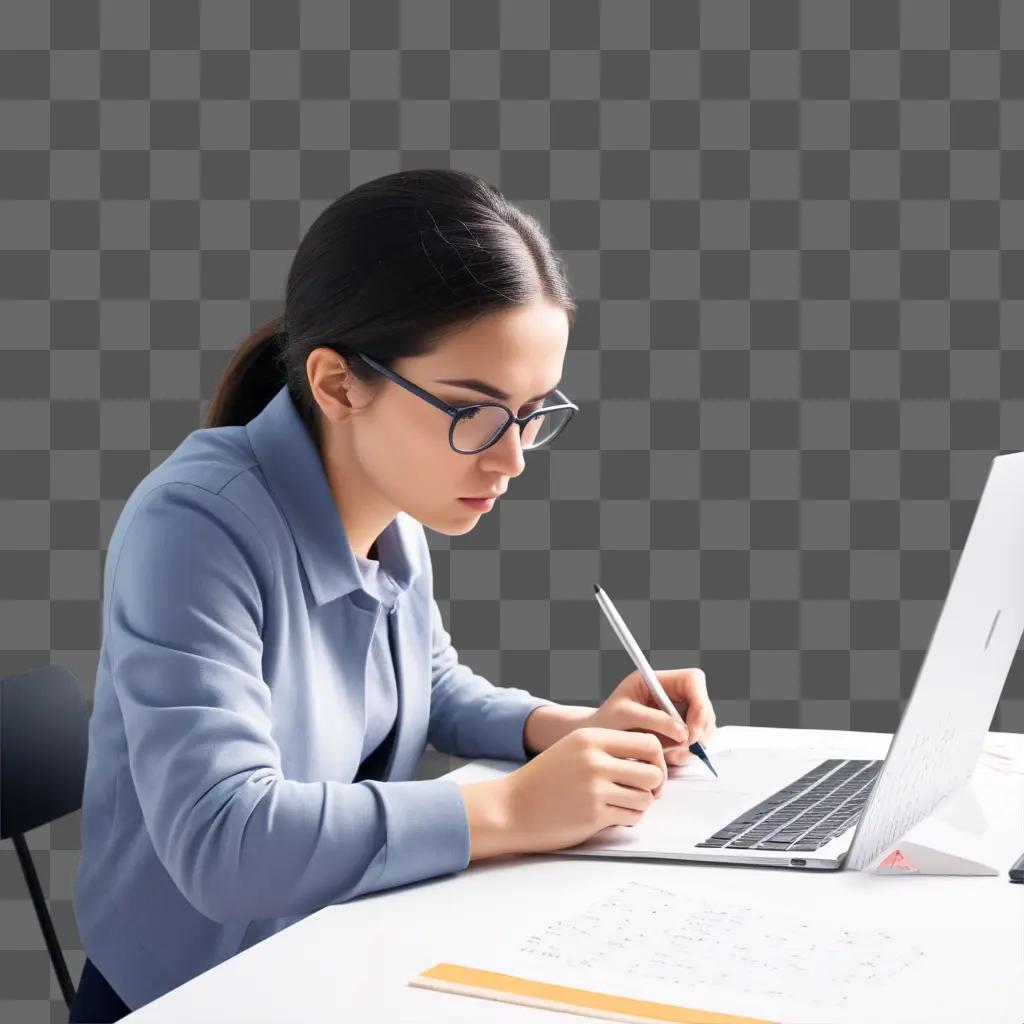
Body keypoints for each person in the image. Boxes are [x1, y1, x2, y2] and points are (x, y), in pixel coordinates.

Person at [69, 168, 716, 1021]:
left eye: (531, 412)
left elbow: (426, 682)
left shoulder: (389, 501)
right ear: (339, 384)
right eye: (475, 411)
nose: (511, 457)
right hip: (199, 993)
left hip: (334, 948)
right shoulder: (192, 525)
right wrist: (516, 806)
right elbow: (225, 843)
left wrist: (564, 728)